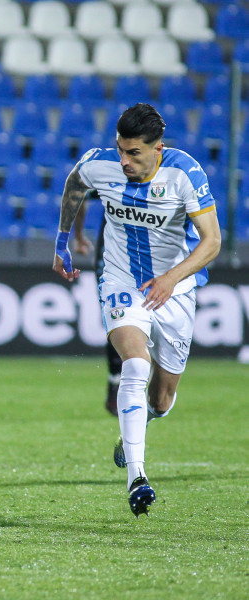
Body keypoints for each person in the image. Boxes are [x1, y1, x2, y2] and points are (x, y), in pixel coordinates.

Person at [53, 103, 220, 517]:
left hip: (175, 290)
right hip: (121, 281)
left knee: (162, 399)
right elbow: (75, 184)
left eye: (134, 154)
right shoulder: (101, 164)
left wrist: (170, 278)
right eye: (120, 150)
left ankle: (138, 424)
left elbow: (212, 241)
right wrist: (63, 240)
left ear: (157, 148)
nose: (124, 161)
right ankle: (137, 477)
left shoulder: (184, 173)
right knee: (135, 364)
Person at [72, 198, 123, 417]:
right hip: (111, 259)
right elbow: (79, 193)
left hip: (153, 259)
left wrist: (79, 235)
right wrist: (78, 234)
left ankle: (138, 383)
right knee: (117, 320)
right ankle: (117, 380)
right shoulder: (107, 165)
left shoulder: (166, 171)